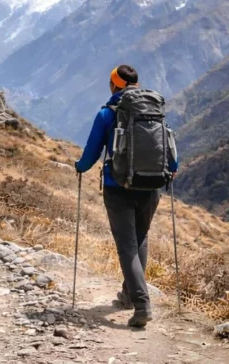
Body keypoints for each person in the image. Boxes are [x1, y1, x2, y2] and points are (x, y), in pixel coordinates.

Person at [74, 64, 178, 327]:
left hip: (118, 186)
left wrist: (80, 167)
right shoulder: (153, 111)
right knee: (140, 239)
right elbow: (167, 145)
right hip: (151, 184)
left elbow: (92, 152)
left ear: (115, 85)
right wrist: (171, 171)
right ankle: (129, 296)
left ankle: (142, 305)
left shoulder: (107, 114)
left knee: (127, 246)